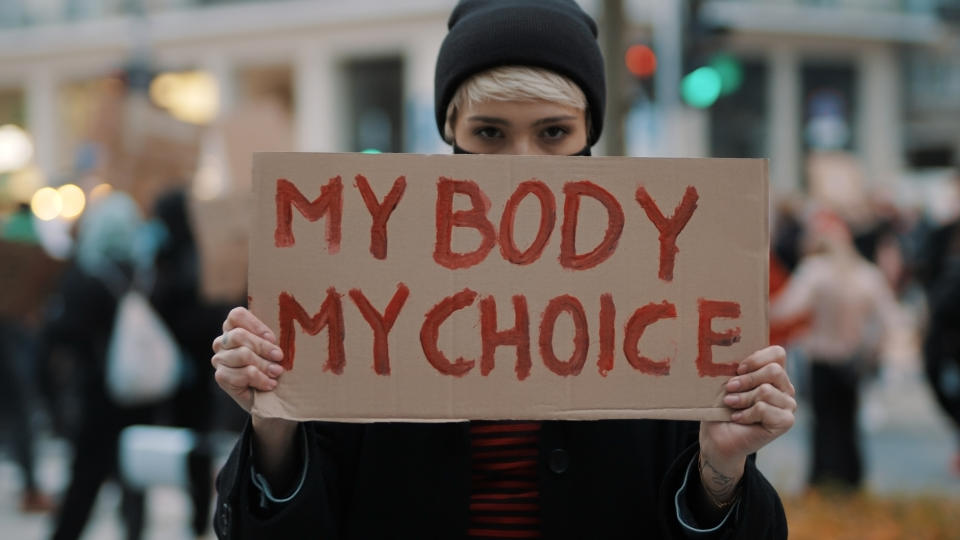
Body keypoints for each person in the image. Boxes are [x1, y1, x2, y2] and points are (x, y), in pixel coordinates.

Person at [211, 1, 795, 538]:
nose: (523, 166)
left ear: (589, 133)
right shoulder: (369, 284)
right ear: (450, 133)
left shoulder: (661, 300)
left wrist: (721, 469)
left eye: (553, 133)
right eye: (489, 133)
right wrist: (277, 422)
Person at [771, 210, 897, 489]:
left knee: (823, 424)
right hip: (853, 360)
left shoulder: (815, 271)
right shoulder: (868, 274)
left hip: (822, 357)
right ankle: (852, 479)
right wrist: (871, 350)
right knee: (849, 422)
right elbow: (889, 320)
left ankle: (823, 479)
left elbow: (785, 309)